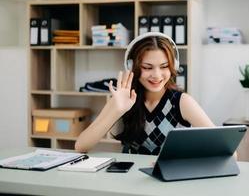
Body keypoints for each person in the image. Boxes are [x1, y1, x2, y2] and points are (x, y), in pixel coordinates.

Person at [75, 32, 214, 154]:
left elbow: (228, 152)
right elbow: (81, 146)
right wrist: (116, 110)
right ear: (132, 67)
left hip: (169, 181)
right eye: (147, 67)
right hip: (131, 178)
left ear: (173, 66)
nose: (157, 75)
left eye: (164, 66)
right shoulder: (123, 99)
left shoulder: (182, 102)